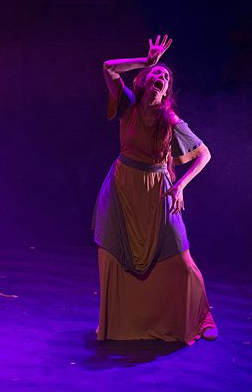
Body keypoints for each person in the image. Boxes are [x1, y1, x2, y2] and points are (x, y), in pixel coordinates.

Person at [93, 34, 218, 344]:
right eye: (156, 74)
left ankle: (202, 317)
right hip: (123, 188)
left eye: (166, 77)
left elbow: (204, 154)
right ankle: (126, 324)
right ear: (145, 81)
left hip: (157, 192)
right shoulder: (128, 105)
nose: (161, 77)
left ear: (166, 90)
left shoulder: (170, 120)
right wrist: (147, 61)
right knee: (114, 255)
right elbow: (108, 67)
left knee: (181, 261)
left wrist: (180, 185)